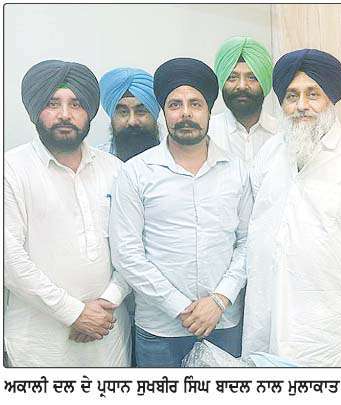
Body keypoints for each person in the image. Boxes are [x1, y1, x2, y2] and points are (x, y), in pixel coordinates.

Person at [242, 49, 341, 366]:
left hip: (336, 330)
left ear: (331, 99)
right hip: (271, 319)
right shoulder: (269, 154)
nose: (301, 105)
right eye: (292, 96)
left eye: (312, 94)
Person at [109, 57, 253, 367]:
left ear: (209, 111)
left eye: (195, 104)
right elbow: (126, 253)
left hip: (223, 323)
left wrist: (219, 300)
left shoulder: (238, 171)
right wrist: (179, 307)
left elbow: (247, 243)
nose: (185, 113)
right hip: (160, 330)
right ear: (163, 113)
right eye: (175, 105)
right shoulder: (136, 172)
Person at [4, 60, 131, 366]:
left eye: (75, 104)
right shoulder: (11, 169)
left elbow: (134, 246)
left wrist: (110, 299)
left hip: (109, 333)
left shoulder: (115, 169)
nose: (64, 114)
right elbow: (9, 258)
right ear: (36, 110)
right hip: (39, 345)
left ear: (89, 112)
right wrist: (74, 313)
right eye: (52, 103)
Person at [209, 36, 276, 161]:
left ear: (265, 82)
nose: (242, 86)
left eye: (252, 77)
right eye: (232, 77)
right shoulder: (208, 134)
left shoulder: (281, 133)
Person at [97, 68, 161, 162]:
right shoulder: (98, 162)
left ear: (154, 113)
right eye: (123, 112)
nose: (132, 122)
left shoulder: (173, 159)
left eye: (141, 111)